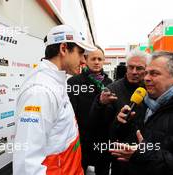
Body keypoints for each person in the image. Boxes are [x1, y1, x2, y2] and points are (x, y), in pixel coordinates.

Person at [13, 25, 95, 175]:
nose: (84, 61)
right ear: (64, 49)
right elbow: (26, 164)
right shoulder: (40, 91)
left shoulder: (56, 80)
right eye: (81, 53)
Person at [110, 51, 173, 175]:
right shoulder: (146, 99)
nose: (146, 78)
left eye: (154, 73)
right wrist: (121, 123)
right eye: (147, 72)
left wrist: (145, 155)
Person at [88, 49, 149, 175]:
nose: (134, 72)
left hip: (147, 153)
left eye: (139, 68)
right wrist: (100, 104)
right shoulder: (112, 89)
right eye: (131, 67)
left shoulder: (152, 89)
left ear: (147, 69)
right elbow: (97, 122)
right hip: (121, 155)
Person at [67, 46, 113, 175]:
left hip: (103, 140)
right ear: (85, 59)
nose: (97, 62)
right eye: (93, 59)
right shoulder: (74, 82)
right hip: (82, 140)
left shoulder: (110, 83)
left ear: (104, 61)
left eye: (100, 59)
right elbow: (71, 114)